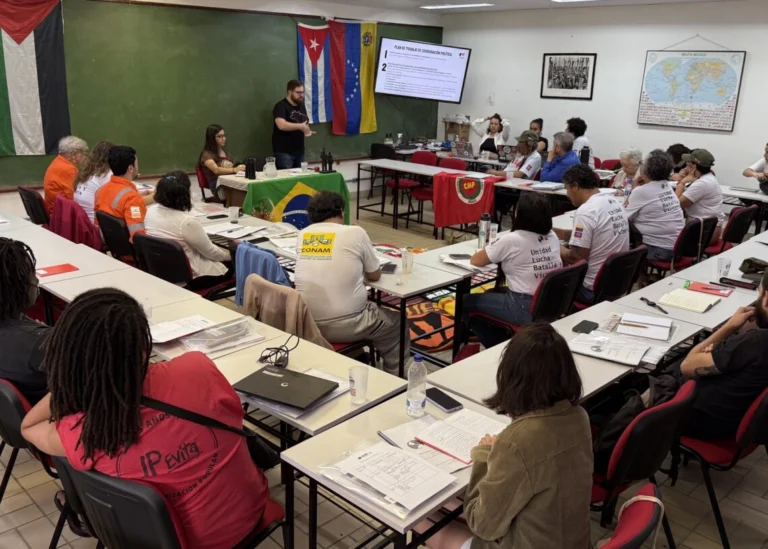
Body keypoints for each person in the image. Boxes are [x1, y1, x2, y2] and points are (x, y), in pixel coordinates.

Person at [20, 289, 270, 549]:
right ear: (142, 346)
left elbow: (28, 427)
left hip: (159, 540)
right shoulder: (197, 368)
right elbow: (235, 419)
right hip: (247, 518)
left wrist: (77, 379)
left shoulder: (85, 431)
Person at [416, 323, 592, 549]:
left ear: (511, 375)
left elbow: (483, 525)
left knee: (421, 520)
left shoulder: (518, 441)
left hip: (524, 541)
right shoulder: (579, 416)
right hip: (570, 540)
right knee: (450, 502)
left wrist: (484, 455)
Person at [294, 191, 408, 374]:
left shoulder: (303, 234)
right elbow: (374, 275)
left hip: (307, 323)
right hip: (349, 323)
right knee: (397, 323)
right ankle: (396, 378)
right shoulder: (355, 232)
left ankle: (355, 356)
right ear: (340, 211)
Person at [675, 269, 768, 441]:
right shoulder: (753, 343)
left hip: (704, 420)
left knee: (662, 380)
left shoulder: (756, 342)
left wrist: (729, 327)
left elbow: (687, 366)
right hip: (737, 418)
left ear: (767, 299)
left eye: (759, 293)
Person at [465, 193, 562, 348]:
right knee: (488, 294)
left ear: (518, 214)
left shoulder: (513, 239)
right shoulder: (552, 235)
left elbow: (476, 260)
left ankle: (500, 347)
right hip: (549, 303)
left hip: (523, 306)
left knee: (466, 302)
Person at [555, 164, 630, 304]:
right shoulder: (613, 202)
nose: (567, 194)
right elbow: (594, 234)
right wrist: (552, 231)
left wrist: (552, 244)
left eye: (567, 188)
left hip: (591, 289)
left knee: (546, 280)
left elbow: (576, 258)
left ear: (575, 186)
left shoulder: (586, 211)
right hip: (617, 283)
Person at [145, 171, 234, 282]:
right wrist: (231, 256)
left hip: (162, 270)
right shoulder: (187, 222)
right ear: (185, 193)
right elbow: (211, 252)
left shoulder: (150, 211)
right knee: (235, 261)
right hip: (193, 276)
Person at [0, 238, 50, 405]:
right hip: (52, 420)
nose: (36, 281)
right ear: (16, 285)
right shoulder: (40, 343)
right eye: (31, 275)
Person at [624, 150, 684, 262]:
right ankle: (644, 277)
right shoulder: (666, 186)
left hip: (659, 250)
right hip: (677, 247)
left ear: (646, 170)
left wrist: (634, 189)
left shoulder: (642, 191)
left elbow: (624, 218)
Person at [94, 145, 148, 241]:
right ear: (130, 168)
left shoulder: (100, 190)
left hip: (112, 243)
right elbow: (138, 236)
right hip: (130, 254)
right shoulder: (132, 198)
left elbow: (97, 223)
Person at [674, 148, 724, 243]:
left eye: (687, 165)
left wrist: (682, 183)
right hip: (706, 229)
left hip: (704, 233)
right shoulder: (708, 177)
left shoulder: (702, 183)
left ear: (693, 167)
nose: (686, 167)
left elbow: (676, 204)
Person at [272, 79, 315, 169]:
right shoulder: (281, 106)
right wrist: (301, 127)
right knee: (287, 180)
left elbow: (304, 123)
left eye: (302, 92)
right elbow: (281, 125)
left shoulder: (301, 106)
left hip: (299, 151)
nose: (301, 95)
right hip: (284, 152)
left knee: (300, 181)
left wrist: (307, 130)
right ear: (289, 92)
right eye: (298, 92)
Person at [43, 136, 88, 215]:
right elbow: (75, 197)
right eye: (83, 153)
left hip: (53, 209)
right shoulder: (69, 169)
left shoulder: (58, 161)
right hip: (61, 214)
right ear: (74, 154)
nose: (84, 156)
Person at [74, 141, 115, 223]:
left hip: (83, 224)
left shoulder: (86, 172)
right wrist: (149, 197)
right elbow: (121, 201)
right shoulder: (107, 175)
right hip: (96, 225)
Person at [199, 124, 245, 193]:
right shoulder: (206, 154)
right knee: (240, 193)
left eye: (224, 136)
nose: (224, 138)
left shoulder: (226, 153)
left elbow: (232, 167)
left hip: (230, 182)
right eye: (219, 136)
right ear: (211, 138)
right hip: (218, 186)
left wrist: (240, 168)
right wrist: (234, 169)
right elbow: (216, 170)